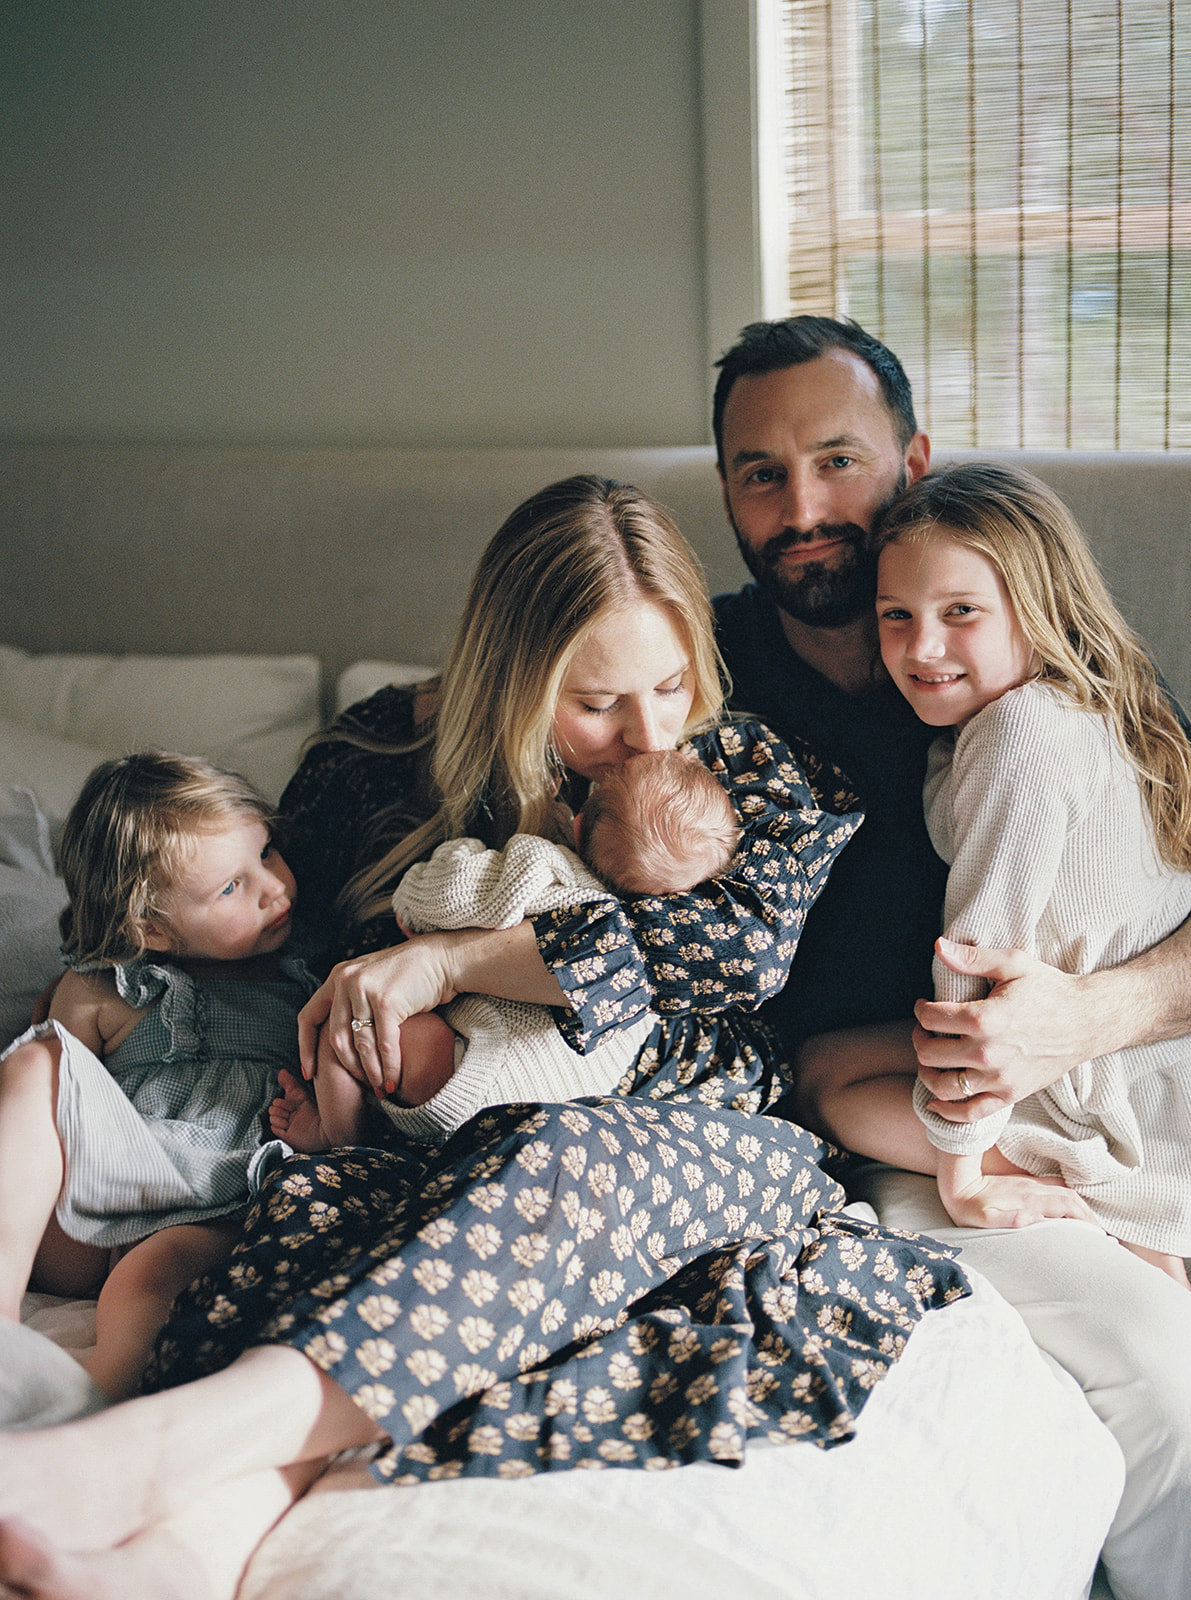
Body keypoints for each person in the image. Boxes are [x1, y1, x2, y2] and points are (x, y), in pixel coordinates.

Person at [0, 474, 966, 1600]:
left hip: (687, 1138)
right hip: (418, 1146)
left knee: (553, 1162)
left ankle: (123, 1463)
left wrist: (450, 959)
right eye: (597, 701)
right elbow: (279, 947)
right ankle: (181, 1558)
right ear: (511, 679)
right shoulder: (371, 770)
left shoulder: (750, 769)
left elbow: (727, 954)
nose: (648, 732)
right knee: (343, 1261)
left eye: (673, 683)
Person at [710, 314, 1191, 1600]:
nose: (803, 504)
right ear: (726, 496)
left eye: (836, 459)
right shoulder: (696, 671)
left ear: (911, 462)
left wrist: (1100, 1010)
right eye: (762, 472)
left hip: (997, 1086)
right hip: (857, 1103)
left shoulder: (1035, 708)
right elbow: (498, 723)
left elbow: (1083, 913)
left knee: (1151, 1351)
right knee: (823, 1073)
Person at [816, 460, 1191, 1283]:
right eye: (894, 615)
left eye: (960, 613)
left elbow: (972, 969)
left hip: (1116, 1094)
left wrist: (965, 1183)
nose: (921, 647)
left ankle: (1116, 1213)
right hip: (1142, 1071)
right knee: (819, 1064)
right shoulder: (1078, 704)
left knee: (833, 1095)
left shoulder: (1019, 737)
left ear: (1039, 608)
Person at [0, 752, 312, 1400]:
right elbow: (63, 1101)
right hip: (88, 1204)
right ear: (152, 929)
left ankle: (96, 1394)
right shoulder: (101, 987)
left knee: (152, 1273)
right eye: (231, 887)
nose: (273, 887)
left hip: (216, 1194)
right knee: (36, 1061)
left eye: (268, 853)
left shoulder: (307, 983)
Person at [271, 747, 742, 1150]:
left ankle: (335, 1136)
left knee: (356, 1003)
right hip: (559, 1108)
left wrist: (435, 880)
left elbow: (446, 896)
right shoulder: (665, 959)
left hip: (473, 1066)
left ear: (577, 830)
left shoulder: (546, 870)